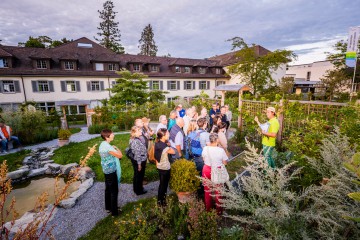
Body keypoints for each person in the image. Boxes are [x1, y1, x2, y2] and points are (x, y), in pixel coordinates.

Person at [202, 133, 229, 215]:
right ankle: (219, 211)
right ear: (217, 140)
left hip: (206, 169)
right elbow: (225, 163)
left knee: (207, 190)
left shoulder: (205, 148)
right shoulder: (220, 151)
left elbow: (203, 158)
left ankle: (208, 209)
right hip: (217, 170)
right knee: (218, 191)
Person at [99, 129, 123, 216]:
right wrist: (116, 148)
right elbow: (120, 156)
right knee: (114, 191)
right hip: (111, 172)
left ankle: (108, 207)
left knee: (108, 189)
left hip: (106, 171)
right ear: (106, 136)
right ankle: (114, 212)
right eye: (112, 134)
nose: (113, 135)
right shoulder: (108, 147)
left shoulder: (103, 144)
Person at [154, 128, 175, 206]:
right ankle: (162, 202)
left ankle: (160, 201)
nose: (169, 135)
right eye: (168, 133)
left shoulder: (157, 142)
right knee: (164, 186)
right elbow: (173, 151)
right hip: (165, 168)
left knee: (161, 185)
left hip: (159, 166)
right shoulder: (165, 147)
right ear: (163, 136)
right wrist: (169, 145)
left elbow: (156, 155)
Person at [129, 126, 148, 195]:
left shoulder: (135, 138)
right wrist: (139, 164)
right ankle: (139, 191)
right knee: (139, 176)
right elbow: (137, 153)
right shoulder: (136, 141)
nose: (141, 131)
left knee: (137, 175)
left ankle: (136, 188)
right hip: (139, 161)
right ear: (134, 132)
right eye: (139, 130)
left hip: (137, 160)